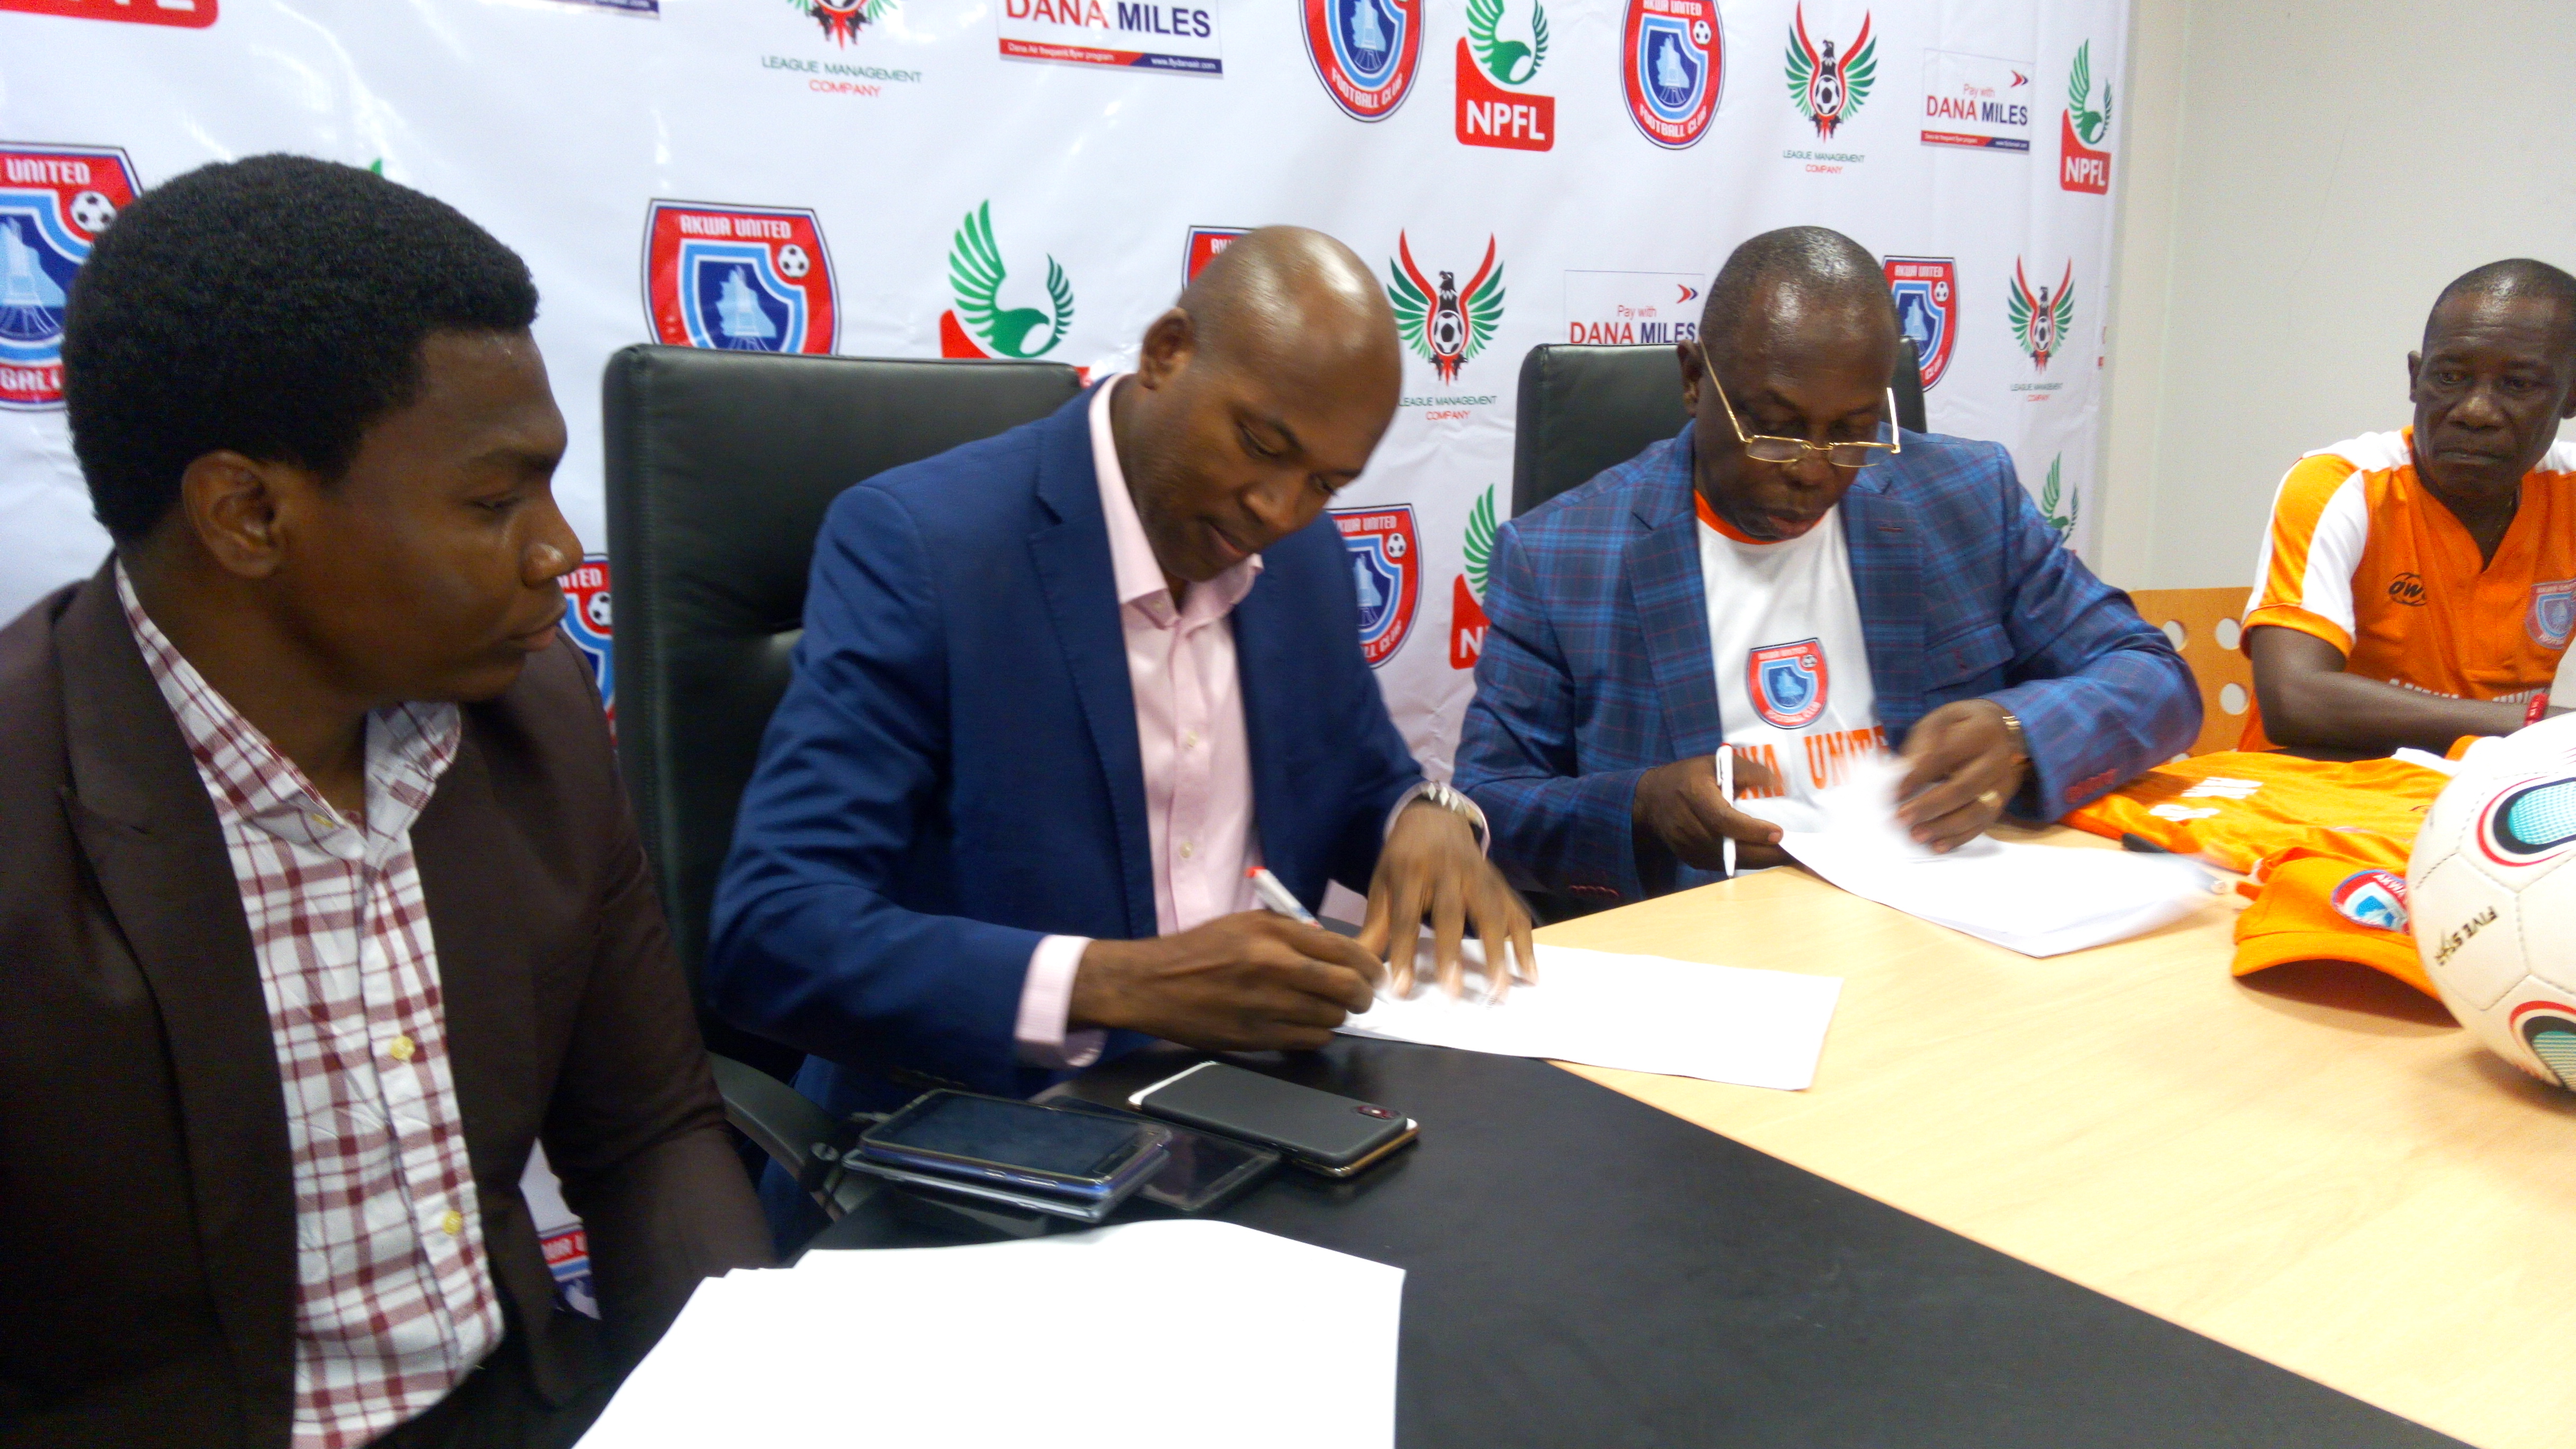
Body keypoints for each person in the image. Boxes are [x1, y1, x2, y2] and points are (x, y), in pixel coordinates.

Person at [0, 156, 770, 1449]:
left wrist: (744, 1410)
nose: (559, 552)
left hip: (517, 1402)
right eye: (491, 498)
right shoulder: (25, 805)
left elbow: (646, 1134)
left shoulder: (530, 723)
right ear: (247, 512)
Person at [708, 228, 1535, 1131]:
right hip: (993, 1140)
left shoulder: (1301, 561)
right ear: (1165, 353)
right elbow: (773, 931)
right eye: (1259, 444)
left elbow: (1359, 783)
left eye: (1323, 484)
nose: (1278, 509)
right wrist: (1116, 985)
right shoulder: (923, 551)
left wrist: (1426, 818)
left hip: (1260, 1115)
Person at [1453, 226, 2198, 909]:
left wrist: (2016, 733)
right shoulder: (1560, 557)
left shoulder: (1966, 501)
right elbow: (1491, 807)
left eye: (1852, 433)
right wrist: (1640, 807)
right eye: (1775, 431)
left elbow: (2155, 679)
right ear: (1692, 380)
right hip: (1714, 942)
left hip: (1938, 923)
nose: (1814, 472)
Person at [2241, 258, 2576, 754]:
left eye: (2518, 385)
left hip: (2484, 798)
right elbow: (2295, 702)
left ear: (2571, 398)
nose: (2476, 412)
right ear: (2416, 379)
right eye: (2451, 376)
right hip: (2321, 790)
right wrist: (2534, 725)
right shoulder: (2341, 485)